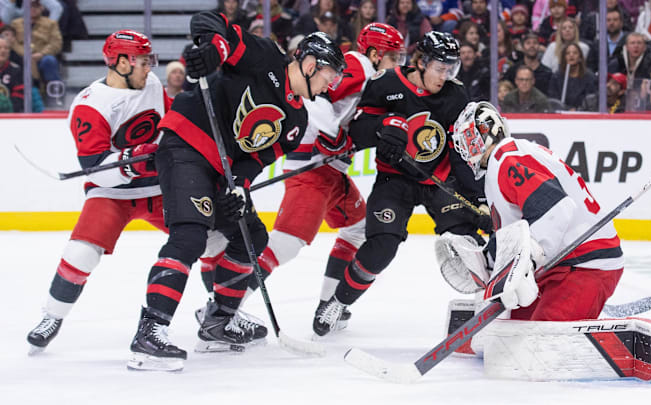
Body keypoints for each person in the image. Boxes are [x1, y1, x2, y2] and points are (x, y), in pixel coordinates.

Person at [126, 7, 346, 371]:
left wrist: (240, 187)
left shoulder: (296, 120)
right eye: (328, 75)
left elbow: (254, 160)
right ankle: (151, 331)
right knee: (190, 237)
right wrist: (213, 49)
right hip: (186, 145)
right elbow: (209, 22)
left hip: (220, 170)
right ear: (309, 64)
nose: (330, 85)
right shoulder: (266, 57)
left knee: (252, 239)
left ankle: (219, 320)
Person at [194, 22, 407, 336]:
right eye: (393, 56)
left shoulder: (366, 72)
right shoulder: (359, 65)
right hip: (313, 164)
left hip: (332, 170)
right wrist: (333, 135)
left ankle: (329, 305)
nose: (397, 64)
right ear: (375, 53)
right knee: (286, 243)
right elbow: (314, 98)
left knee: (358, 226)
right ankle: (222, 307)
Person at [312, 31, 491, 337]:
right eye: (440, 68)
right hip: (394, 179)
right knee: (381, 247)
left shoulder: (455, 95)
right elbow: (359, 131)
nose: (446, 75)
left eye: (451, 69)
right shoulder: (386, 83)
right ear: (421, 62)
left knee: (467, 242)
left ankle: (488, 308)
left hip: (440, 182)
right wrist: (383, 128)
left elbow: (462, 152)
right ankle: (338, 303)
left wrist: (479, 198)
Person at [25, 30, 169, 354]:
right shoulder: (90, 106)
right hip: (112, 193)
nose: (150, 68)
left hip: (160, 187)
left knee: (213, 236)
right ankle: (52, 316)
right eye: (143, 61)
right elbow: (97, 168)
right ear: (120, 62)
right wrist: (136, 159)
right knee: (81, 253)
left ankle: (222, 313)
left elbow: (169, 120)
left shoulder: (154, 85)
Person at [446, 101, 624, 323]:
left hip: (585, 263)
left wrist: (525, 262)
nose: (464, 148)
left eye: (468, 139)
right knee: (514, 335)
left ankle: (626, 343)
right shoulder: (503, 160)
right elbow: (517, 228)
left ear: (488, 132)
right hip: (557, 262)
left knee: (540, 346)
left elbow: (557, 209)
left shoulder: (507, 160)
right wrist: (486, 258)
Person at [10, 0, 63, 103]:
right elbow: (13, 42)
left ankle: (54, 96)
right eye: (30, 6)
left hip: (42, 57)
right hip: (22, 57)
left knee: (49, 61)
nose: (33, 9)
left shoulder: (50, 23)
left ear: (41, 8)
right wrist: (26, 55)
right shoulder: (15, 24)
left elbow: (56, 43)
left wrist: (41, 54)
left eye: (36, 6)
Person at [548, 43, 596, 110]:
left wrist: (577, 109)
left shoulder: (590, 77)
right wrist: (567, 109)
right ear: (564, 58)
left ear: (580, 58)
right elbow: (553, 99)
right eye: (567, 53)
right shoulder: (557, 76)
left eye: (575, 53)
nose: (571, 55)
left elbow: (591, 100)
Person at [586, 8, 629, 73]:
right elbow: (590, 67)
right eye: (608, 20)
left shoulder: (630, 41)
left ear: (621, 23)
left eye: (615, 20)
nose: (611, 23)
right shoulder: (597, 44)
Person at [0, 36, 23, 112]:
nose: (3, 51)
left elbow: (19, 97)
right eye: (0, 48)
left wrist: (8, 110)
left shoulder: (16, 70)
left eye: (6, 48)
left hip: (10, 116)